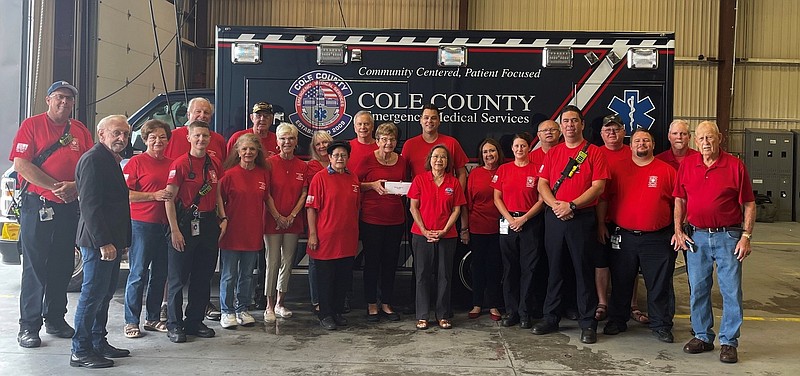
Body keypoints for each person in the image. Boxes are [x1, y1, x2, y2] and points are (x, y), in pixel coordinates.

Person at [11, 81, 93, 348]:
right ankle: (29, 326)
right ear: (48, 100)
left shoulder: (79, 130)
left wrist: (75, 188)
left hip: (68, 206)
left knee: (62, 264)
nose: (64, 103)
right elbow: (21, 165)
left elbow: (90, 166)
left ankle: (55, 319)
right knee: (35, 266)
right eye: (59, 97)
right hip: (38, 205)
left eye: (69, 99)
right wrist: (55, 187)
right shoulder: (32, 126)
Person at [672, 121, 755, 364]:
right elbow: (679, 199)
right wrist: (678, 230)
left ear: (719, 138)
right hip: (696, 237)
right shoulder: (688, 164)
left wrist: (746, 236)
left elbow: (749, 203)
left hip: (728, 237)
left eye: (710, 137)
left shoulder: (735, 166)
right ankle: (702, 336)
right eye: (701, 139)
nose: (706, 143)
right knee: (698, 288)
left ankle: (729, 342)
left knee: (730, 290)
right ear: (695, 141)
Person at [533, 105, 609, 344]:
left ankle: (588, 323)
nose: (569, 125)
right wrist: (557, 205)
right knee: (553, 268)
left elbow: (598, 187)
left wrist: (572, 205)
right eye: (565, 121)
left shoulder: (594, 152)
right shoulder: (553, 153)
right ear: (560, 126)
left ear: (582, 124)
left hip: (582, 218)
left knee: (582, 270)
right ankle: (551, 317)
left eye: (574, 121)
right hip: (555, 217)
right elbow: (542, 184)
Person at [599, 129, 677, 343]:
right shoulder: (617, 169)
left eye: (645, 140)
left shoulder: (667, 171)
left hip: (658, 238)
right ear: (630, 146)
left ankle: (661, 324)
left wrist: (678, 230)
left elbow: (678, 202)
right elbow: (604, 199)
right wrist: (600, 225)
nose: (641, 144)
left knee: (658, 283)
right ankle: (617, 320)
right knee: (621, 281)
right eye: (636, 141)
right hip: (623, 236)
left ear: (653, 144)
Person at [70, 115, 132, 368]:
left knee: (104, 294)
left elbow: (116, 204)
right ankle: (80, 350)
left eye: (126, 134)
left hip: (112, 241)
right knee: (92, 294)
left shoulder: (109, 159)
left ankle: (98, 341)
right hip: (98, 242)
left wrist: (121, 241)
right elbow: (90, 206)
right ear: (101, 134)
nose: (122, 138)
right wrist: (104, 242)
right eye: (116, 133)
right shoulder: (93, 160)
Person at [163, 97, 226, 321]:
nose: (201, 139)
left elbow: (216, 191)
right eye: (197, 135)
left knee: (203, 276)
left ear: (210, 138)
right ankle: (174, 323)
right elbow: (168, 198)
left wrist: (223, 217)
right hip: (184, 224)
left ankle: (194, 322)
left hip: (208, 224)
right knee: (178, 278)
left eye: (205, 136)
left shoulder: (214, 163)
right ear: (188, 137)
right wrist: (174, 230)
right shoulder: (179, 164)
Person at [122, 120, 173, 338]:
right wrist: (153, 196)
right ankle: (131, 321)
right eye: (152, 138)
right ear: (145, 140)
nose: (158, 141)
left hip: (166, 226)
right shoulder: (135, 163)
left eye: (162, 137)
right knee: (138, 273)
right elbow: (125, 194)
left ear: (168, 140)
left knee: (160, 274)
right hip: (141, 224)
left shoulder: (173, 164)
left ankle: (153, 318)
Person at [408, 145, 466, 330]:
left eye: (443, 157)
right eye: (435, 156)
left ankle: (443, 314)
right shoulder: (419, 180)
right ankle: (422, 315)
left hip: (447, 235)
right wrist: (425, 230)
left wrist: (444, 230)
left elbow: (457, 209)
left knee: (445, 276)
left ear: (448, 162)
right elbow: (413, 207)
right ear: (429, 159)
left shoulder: (454, 182)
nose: (439, 160)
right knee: (422, 275)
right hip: (421, 235)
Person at [306, 140, 361, 330]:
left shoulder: (353, 178)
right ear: (329, 157)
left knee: (342, 279)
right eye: (336, 155)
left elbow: (356, 208)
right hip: (325, 240)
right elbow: (311, 209)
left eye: (343, 155)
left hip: (347, 240)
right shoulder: (319, 178)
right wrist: (313, 234)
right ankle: (325, 314)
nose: (340, 158)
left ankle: (337, 312)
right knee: (325, 279)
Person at [594, 115, 643, 324]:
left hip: (627, 221)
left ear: (624, 132)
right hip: (600, 219)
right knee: (601, 262)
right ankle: (602, 303)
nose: (612, 133)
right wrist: (600, 223)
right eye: (608, 130)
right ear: (601, 134)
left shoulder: (633, 154)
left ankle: (633, 305)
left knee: (629, 266)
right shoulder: (594, 154)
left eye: (616, 129)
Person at [218, 134, 270, 329]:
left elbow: (267, 199)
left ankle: (242, 309)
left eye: (252, 150)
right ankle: (227, 310)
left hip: (253, 231)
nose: (248, 152)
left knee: (247, 274)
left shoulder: (262, 174)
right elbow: (218, 201)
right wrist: (223, 221)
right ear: (238, 152)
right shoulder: (228, 175)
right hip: (232, 231)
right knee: (229, 274)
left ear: (258, 153)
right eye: (244, 149)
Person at [492, 133, 545, 329]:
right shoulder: (504, 170)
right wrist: (510, 219)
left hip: (529, 222)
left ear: (528, 148)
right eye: (516, 146)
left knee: (529, 269)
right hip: (508, 222)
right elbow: (497, 198)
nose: (520, 149)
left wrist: (523, 219)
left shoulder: (537, 170)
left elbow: (541, 199)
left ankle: (525, 312)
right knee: (510, 269)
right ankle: (511, 311)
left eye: (523, 146)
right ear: (512, 149)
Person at [358, 122, 407, 322]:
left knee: (390, 263)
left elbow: (409, 185)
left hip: (396, 220)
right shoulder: (367, 159)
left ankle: (386, 303)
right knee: (371, 263)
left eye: (392, 139)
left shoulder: (402, 161)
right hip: (371, 220)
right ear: (377, 141)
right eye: (384, 139)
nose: (388, 142)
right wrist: (371, 185)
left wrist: (403, 187)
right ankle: (371, 304)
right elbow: (354, 184)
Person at [264, 123, 308, 323]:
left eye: (290, 138)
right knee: (272, 262)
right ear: (277, 141)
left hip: (293, 222)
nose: (287, 142)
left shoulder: (302, 166)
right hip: (272, 222)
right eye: (283, 138)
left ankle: (281, 302)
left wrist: (291, 216)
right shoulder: (269, 163)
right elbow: (267, 194)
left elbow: (304, 193)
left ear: (296, 141)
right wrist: (277, 217)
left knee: (287, 262)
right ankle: (269, 306)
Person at [460, 138, 503, 321]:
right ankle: (477, 304)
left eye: (492, 151)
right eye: (485, 152)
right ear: (481, 155)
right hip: (477, 228)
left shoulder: (505, 171)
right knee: (477, 268)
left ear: (498, 153)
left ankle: (493, 305)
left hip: (500, 228)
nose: (488, 155)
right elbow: (465, 204)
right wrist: (465, 229)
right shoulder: (475, 174)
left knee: (495, 268)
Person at [401, 104, 469, 189]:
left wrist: (457, 197)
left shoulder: (451, 143)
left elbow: (462, 173)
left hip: (446, 199)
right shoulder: (409, 145)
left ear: (439, 121)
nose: (429, 121)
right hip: (419, 199)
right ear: (420, 120)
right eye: (426, 118)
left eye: (433, 118)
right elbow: (404, 175)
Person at [304, 130, 334, 314]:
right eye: (318, 144)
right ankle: (317, 300)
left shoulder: (339, 163)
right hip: (317, 220)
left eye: (325, 143)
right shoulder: (311, 167)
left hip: (335, 222)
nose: (322, 147)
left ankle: (335, 299)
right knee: (316, 262)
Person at [164, 97, 227, 164]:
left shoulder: (219, 140)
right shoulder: (172, 136)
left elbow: (224, 167)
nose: (202, 115)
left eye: (206, 112)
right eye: (198, 111)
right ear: (188, 115)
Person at [348, 110, 379, 177]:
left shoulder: (381, 147)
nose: (363, 127)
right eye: (359, 124)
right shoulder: (346, 148)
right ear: (355, 128)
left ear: (373, 127)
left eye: (366, 124)